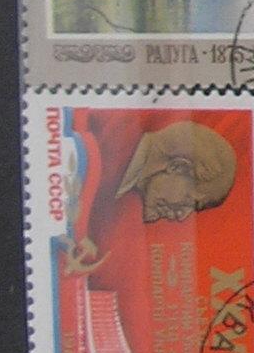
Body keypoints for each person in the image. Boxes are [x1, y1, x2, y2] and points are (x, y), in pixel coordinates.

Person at [61, 116, 238, 277]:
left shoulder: (125, 201)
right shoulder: (109, 133)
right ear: (178, 167)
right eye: (189, 202)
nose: (181, 216)